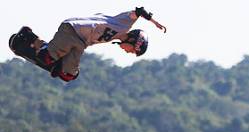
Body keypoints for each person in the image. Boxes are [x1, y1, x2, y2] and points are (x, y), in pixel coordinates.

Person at [8, 7, 167, 82]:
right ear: (133, 40)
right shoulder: (124, 25)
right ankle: (29, 37)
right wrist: (154, 22)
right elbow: (138, 11)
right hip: (72, 29)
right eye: (132, 51)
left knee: (68, 74)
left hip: (80, 44)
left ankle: (47, 53)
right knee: (47, 58)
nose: (128, 53)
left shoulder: (113, 37)